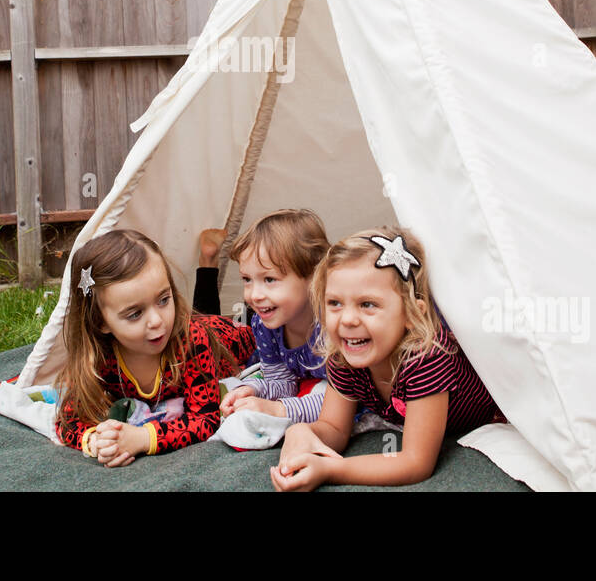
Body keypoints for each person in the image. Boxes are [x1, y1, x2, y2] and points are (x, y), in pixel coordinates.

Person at [270, 226, 501, 490]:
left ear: (412, 315)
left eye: (367, 304)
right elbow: (334, 428)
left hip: (491, 413)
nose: (347, 319)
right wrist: (301, 432)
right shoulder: (345, 356)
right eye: (335, 302)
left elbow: (416, 462)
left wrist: (331, 469)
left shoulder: (427, 357)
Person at [55, 229, 256, 466]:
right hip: (190, 324)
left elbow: (206, 419)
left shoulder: (193, 341)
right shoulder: (97, 357)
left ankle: (209, 263)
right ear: (100, 321)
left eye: (163, 299)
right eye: (135, 313)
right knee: (197, 315)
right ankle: (208, 260)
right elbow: (66, 422)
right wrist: (95, 441)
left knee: (256, 320)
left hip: (225, 336)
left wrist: (143, 438)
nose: (157, 321)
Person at [218, 209, 330, 424]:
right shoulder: (264, 325)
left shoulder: (334, 325)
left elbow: (347, 400)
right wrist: (253, 390)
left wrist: (279, 409)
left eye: (269, 279)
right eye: (247, 279)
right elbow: (284, 383)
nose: (254, 295)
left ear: (315, 276)